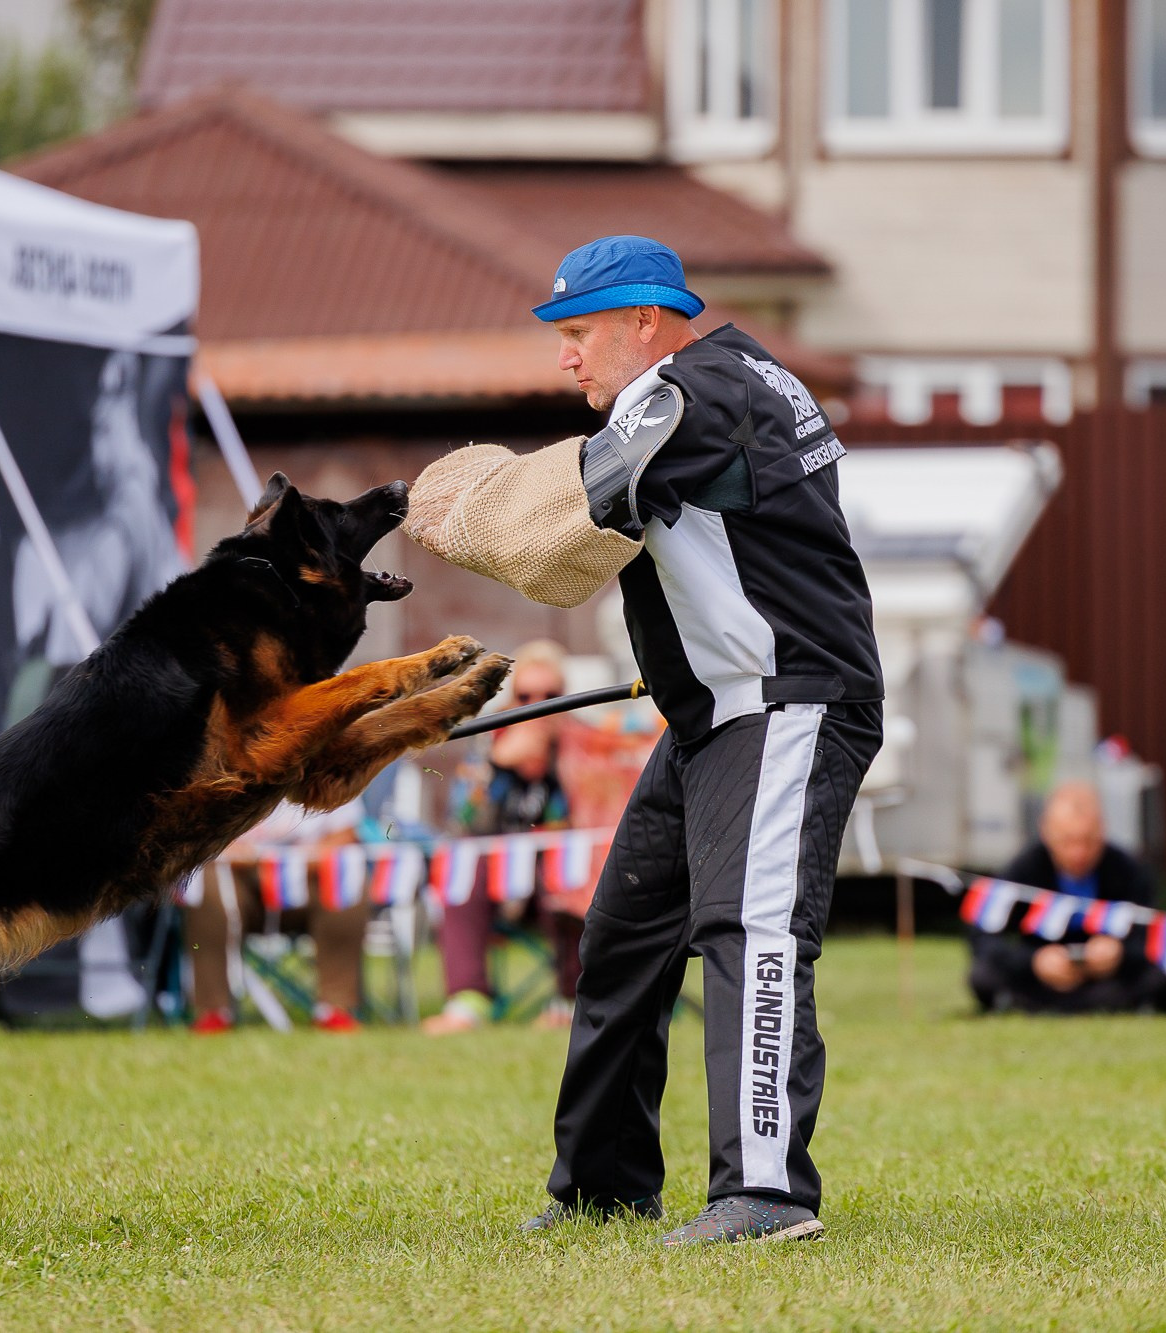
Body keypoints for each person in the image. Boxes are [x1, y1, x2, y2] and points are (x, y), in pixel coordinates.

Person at [406, 236, 884, 1246]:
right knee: (620, 942)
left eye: (578, 333)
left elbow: (562, 539)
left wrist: (473, 511)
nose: (565, 357)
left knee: (746, 933)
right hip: (708, 708)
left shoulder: (689, 394)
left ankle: (763, 1194)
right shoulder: (726, 378)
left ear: (644, 319)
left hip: (782, 703)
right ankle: (602, 1187)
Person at [424, 640, 583, 1034]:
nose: (538, 706)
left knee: (571, 876)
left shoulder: (580, 742)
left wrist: (562, 764)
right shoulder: (490, 740)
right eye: (526, 696)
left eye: (551, 696)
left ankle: (571, 1000)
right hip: (497, 874)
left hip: (556, 875)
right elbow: (463, 824)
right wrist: (498, 767)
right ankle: (468, 1000)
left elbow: (591, 819)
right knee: (463, 872)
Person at [969, 782, 1166, 1014]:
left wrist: (1120, 953)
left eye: (1088, 841)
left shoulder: (1127, 869)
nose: (1078, 853)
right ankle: (1130, 1006)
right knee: (983, 975)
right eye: (1068, 841)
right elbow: (983, 938)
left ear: (1102, 830)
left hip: (1108, 979)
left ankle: (1033, 1006)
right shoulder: (1023, 870)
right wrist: (1034, 961)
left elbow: (1153, 937)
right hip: (1045, 981)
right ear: (1046, 831)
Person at [183, 799, 370, 1033]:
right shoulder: (229, 771)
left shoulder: (328, 772)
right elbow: (201, 835)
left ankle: (335, 1007)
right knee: (208, 879)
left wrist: (292, 862)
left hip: (308, 879)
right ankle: (214, 1011)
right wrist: (231, 851)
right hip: (242, 884)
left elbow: (346, 835)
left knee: (347, 876)